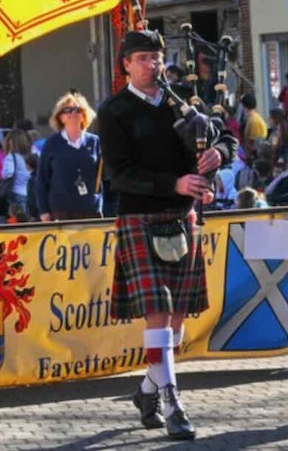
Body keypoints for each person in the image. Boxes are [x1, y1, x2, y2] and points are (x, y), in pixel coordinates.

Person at [97, 29, 237, 441]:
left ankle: (146, 390)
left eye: (156, 58)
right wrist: (174, 184)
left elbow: (224, 135)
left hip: (181, 218)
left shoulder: (181, 102)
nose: (152, 65)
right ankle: (173, 401)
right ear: (125, 65)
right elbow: (121, 175)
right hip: (140, 218)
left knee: (176, 322)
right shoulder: (115, 111)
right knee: (158, 310)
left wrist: (219, 155)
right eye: (142, 58)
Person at [37, 91, 102, 221]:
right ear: (61, 117)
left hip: (90, 210)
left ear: (84, 115)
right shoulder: (52, 143)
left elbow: (104, 178)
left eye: (78, 110)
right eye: (68, 110)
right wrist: (43, 211)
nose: (73, 113)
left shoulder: (94, 141)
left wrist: (101, 204)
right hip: (60, 212)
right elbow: (42, 180)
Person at [1, 129, 32, 215]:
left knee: (17, 219)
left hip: (16, 192)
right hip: (29, 192)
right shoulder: (31, 155)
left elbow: (8, 174)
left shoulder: (11, 157)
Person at [240, 93, 267, 163]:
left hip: (256, 159)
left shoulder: (254, 121)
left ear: (244, 106)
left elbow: (253, 144)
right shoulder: (252, 118)